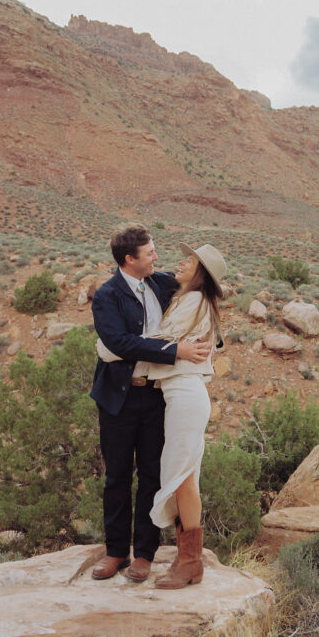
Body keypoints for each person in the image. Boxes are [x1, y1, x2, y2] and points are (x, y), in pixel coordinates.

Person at [96, 242, 226, 589]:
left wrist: (113, 349)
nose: (166, 260)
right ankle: (118, 551)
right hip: (128, 396)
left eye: (189, 260)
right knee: (123, 475)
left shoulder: (174, 289)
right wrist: (175, 349)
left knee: (170, 475)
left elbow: (148, 341)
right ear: (129, 259)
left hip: (171, 395)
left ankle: (164, 558)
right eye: (150, 252)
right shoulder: (111, 293)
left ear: (200, 272)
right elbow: (133, 342)